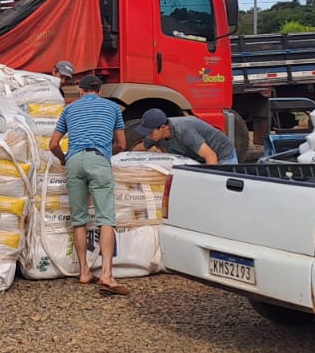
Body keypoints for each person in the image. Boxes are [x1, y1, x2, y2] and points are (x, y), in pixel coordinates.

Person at [47, 74, 129, 296]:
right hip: (99, 159)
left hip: (74, 161)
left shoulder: (69, 109)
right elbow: (122, 143)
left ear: (81, 92)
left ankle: (84, 271)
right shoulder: (112, 108)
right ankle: (107, 275)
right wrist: (107, 153)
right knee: (106, 219)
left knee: (79, 219)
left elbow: (53, 144)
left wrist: (64, 159)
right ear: (99, 92)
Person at [130, 109, 237, 164]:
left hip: (221, 154)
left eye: (150, 132)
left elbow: (210, 155)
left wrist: (211, 183)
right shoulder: (155, 136)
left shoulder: (183, 131)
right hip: (198, 157)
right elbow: (141, 148)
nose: (148, 135)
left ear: (163, 127)